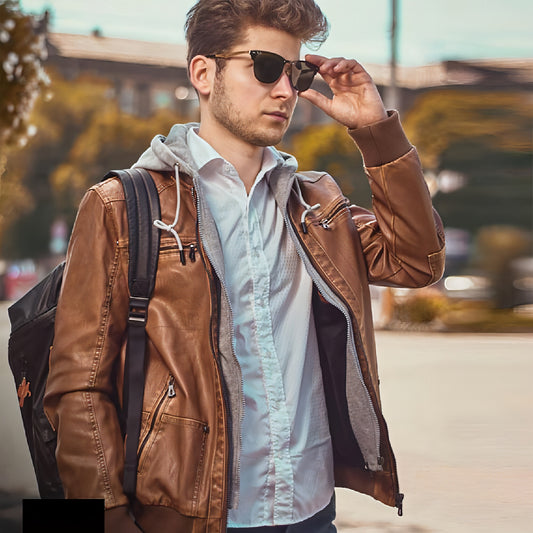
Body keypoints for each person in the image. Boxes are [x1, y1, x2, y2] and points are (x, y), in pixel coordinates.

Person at [44, 0, 445, 532]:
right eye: (264, 67)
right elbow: (78, 384)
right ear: (204, 73)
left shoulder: (316, 207)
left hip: (309, 512)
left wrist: (376, 132)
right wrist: (108, 516)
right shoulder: (122, 205)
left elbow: (419, 261)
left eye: (296, 73)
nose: (286, 90)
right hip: (184, 516)